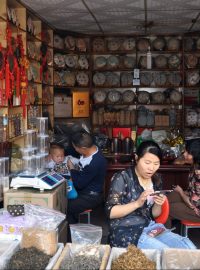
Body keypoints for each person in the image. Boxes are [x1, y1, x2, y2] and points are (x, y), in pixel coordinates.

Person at [105, 140, 196, 249]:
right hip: (125, 230)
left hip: (149, 227)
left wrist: (158, 204)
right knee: (166, 253)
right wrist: (137, 203)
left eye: (156, 164)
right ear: (137, 158)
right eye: (147, 163)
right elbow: (111, 212)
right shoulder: (122, 177)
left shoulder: (157, 179)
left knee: (189, 247)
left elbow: (154, 214)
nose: (151, 168)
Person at [67, 131, 107, 224]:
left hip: (91, 196)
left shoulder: (95, 162)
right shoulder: (91, 148)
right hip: (84, 187)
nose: (75, 150)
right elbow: (69, 151)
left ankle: (71, 234)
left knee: (67, 206)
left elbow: (79, 184)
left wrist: (72, 169)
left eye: (76, 148)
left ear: (83, 148)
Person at [167, 138, 200, 227]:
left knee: (166, 209)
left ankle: (165, 238)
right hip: (193, 199)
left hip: (197, 210)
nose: (184, 154)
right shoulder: (195, 166)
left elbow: (192, 204)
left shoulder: (198, 174)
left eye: (188, 153)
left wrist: (181, 192)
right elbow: (192, 192)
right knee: (165, 199)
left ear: (196, 155)